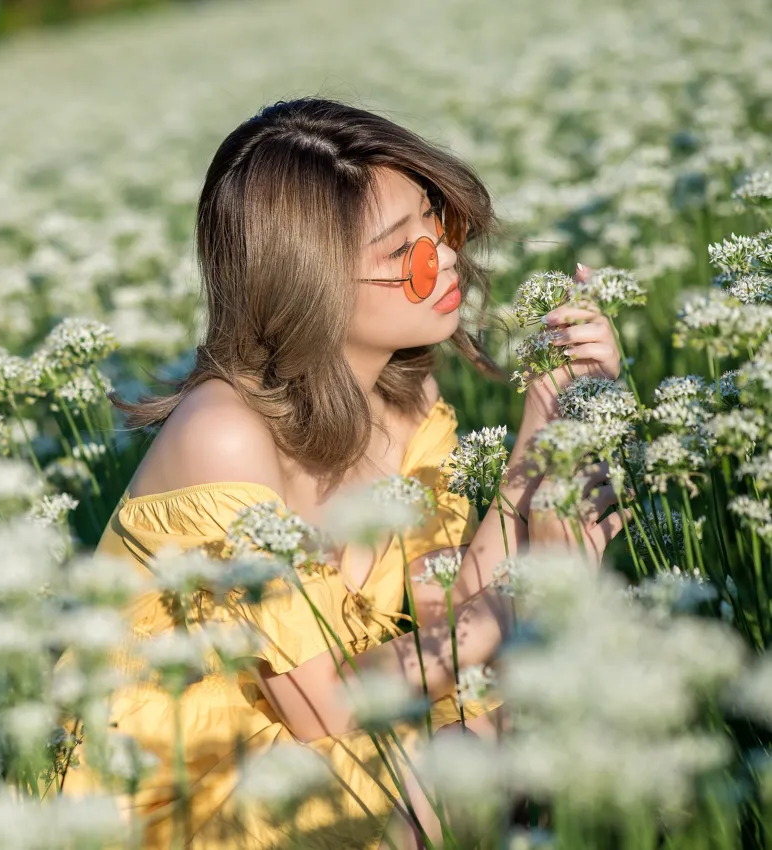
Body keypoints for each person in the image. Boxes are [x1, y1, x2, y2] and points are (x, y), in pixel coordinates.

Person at [56, 97, 626, 849]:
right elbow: (321, 706)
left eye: (437, 221)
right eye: (403, 253)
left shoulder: (404, 393)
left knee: (517, 700)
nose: (444, 258)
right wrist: (536, 597)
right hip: (180, 792)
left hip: (314, 749)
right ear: (309, 285)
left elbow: (447, 611)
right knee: (490, 732)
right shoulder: (223, 435)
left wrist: (547, 417)